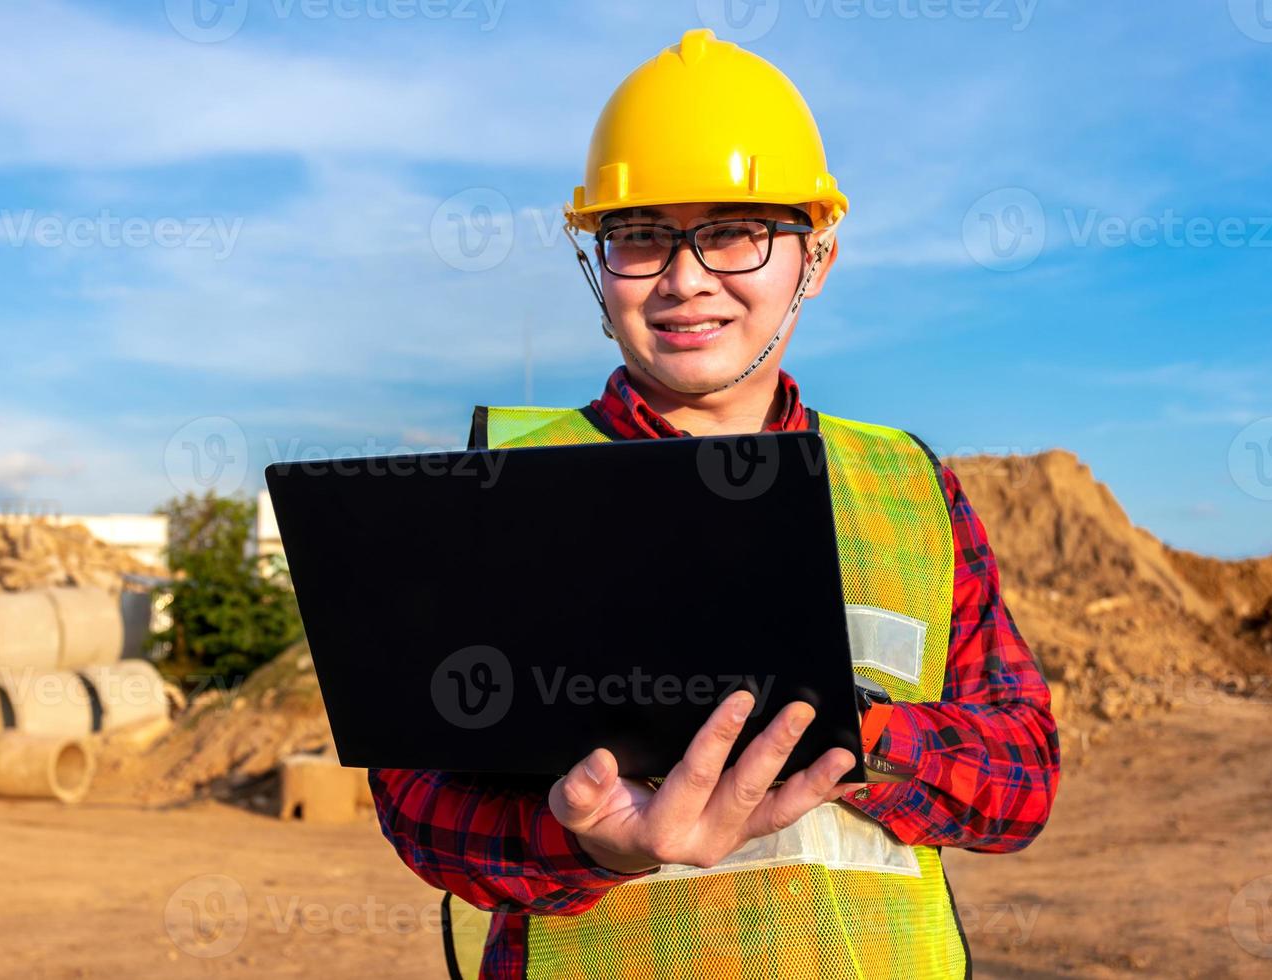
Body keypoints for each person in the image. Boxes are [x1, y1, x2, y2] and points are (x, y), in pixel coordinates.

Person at [371, 29, 1059, 980]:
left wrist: (846, 736)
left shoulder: (907, 488)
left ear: (815, 256)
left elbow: (1022, 778)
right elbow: (416, 797)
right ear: (596, 262)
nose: (685, 279)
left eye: (733, 232)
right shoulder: (512, 484)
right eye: (641, 235)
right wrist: (589, 846)